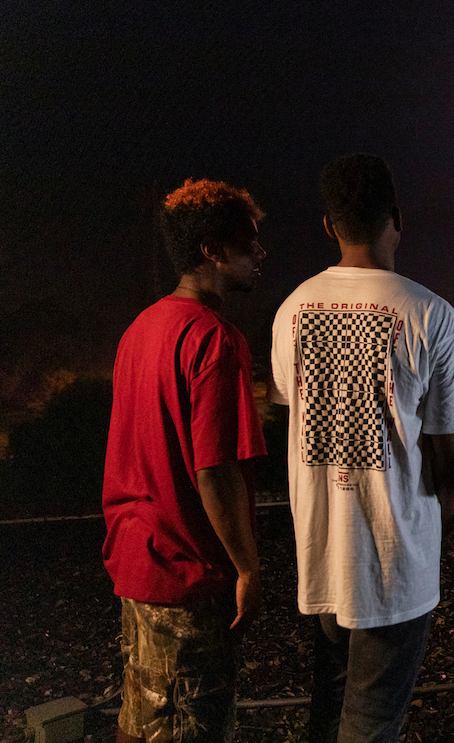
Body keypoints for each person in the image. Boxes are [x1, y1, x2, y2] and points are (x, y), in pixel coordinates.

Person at [269, 153, 454, 743]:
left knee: (329, 705)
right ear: (397, 217)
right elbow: (451, 451)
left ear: (328, 226)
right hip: (395, 559)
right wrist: (441, 510)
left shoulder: (290, 312)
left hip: (321, 547)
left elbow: (292, 414)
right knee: (372, 722)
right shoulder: (431, 313)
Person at [102, 179, 269, 743]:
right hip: (188, 570)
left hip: (137, 556)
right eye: (248, 244)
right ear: (212, 251)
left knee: (144, 713)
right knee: (188, 725)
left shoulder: (139, 331)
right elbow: (213, 470)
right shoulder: (214, 340)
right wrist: (247, 567)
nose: (260, 255)